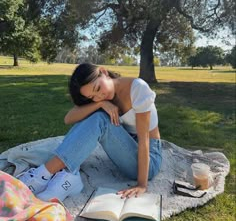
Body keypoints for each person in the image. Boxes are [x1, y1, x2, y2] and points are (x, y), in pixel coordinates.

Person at [18, 63, 162, 201]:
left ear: (104, 72)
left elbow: (144, 141)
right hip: (127, 146)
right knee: (95, 114)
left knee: (100, 119)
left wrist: (142, 185)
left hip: (149, 160)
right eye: (92, 97)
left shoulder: (138, 89)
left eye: (98, 88)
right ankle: (64, 175)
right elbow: (69, 118)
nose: (99, 96)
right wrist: (99, 104)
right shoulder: (102, 98)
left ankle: (41, 176)